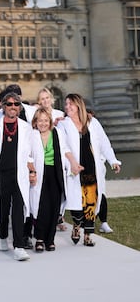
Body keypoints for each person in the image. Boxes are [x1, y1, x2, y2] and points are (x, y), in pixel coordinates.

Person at [57, 93, 121, 247]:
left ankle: (88, 235)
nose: (67, 107)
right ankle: (77, 226)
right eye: (66, 104)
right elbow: (62, 146)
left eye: (71, 104)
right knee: (76, 202)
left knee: (90, 202)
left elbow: (104, 143)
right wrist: (70, 163)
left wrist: (113, 160)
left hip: (92, 167)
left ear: (79, 105)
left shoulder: (93, 122)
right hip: (75, 168)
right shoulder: (63, 124)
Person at [0, 92, 35, 261]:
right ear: (3, 106)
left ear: (20, 107)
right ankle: (3, 236)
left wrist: (32, 172)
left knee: (18, 208)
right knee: (2, 208)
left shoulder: (26, 127)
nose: (13, 107)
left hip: (19, 174)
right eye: (9, 104)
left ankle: (18, 246)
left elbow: (29, 154)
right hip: (0, 174)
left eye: (16, 104)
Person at [29, 108, 68, 252]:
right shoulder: (32, 135)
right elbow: (26, 155)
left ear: (50, 121)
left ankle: (50, 239)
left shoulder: (57, 133)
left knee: (54, 206)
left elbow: (64, 151)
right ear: (35, 122)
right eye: (40, 120)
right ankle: (39, 238)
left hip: (55, 173)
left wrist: (73, 166)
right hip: (39, 173)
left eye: (46, 120)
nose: (43, 123)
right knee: (41, 206)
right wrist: (31, 171)